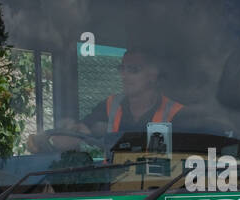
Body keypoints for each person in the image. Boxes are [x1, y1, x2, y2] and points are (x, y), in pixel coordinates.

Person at [30, 50, 184, 151]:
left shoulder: (177, 114)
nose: (124, 76)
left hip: (160, 189)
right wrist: (50, 139)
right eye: (122, 69)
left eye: (133, 70)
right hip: (112, 186)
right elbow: (82, 130)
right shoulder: (111, 105)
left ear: (153, 76)